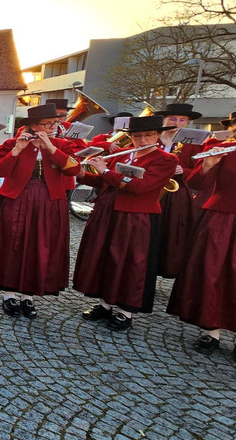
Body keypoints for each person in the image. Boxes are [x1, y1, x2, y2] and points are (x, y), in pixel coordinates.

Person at [167, 105, 236, 366]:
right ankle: (211, 331)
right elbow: (196, 184)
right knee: (216, 270)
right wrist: (208, 166)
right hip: (223, 216)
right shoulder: (226, 147)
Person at [72, 115, 178, 332]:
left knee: (129, 262)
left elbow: (141, 186)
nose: (143, 140)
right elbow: (104, 181)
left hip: (135, 216)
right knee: (104, 257)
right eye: (137, 136)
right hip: (108, 212)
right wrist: (82, 173)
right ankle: (104, 304)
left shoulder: (166, 159)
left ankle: (125, 311)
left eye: (149, 135)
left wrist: (106, 171)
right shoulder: (124, 154)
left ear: (158, 135)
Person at [0, 104, 81, 318]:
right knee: (13, 244)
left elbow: (74, 169)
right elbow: (0, 170)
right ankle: (9, 295)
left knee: (40, 246)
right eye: (48, 124)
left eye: (55, 123)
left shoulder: (62, 145)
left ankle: (29, 296)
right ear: (34, 126)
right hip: (17, 199)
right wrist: (17, 150)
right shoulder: (11, 143)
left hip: (50, 202)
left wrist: (51, 147)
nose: (53, 127)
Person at [156, 103, 204, 278]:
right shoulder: (153, 138)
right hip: (150, 188)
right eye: (173, 119)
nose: (177, 123)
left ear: (187, 122)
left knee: (172, 231)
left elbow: (199, 170)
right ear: (164, 120)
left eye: (182, 120)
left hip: (176, 193)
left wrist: (183, 171)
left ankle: (167, 266)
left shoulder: (193, 144)